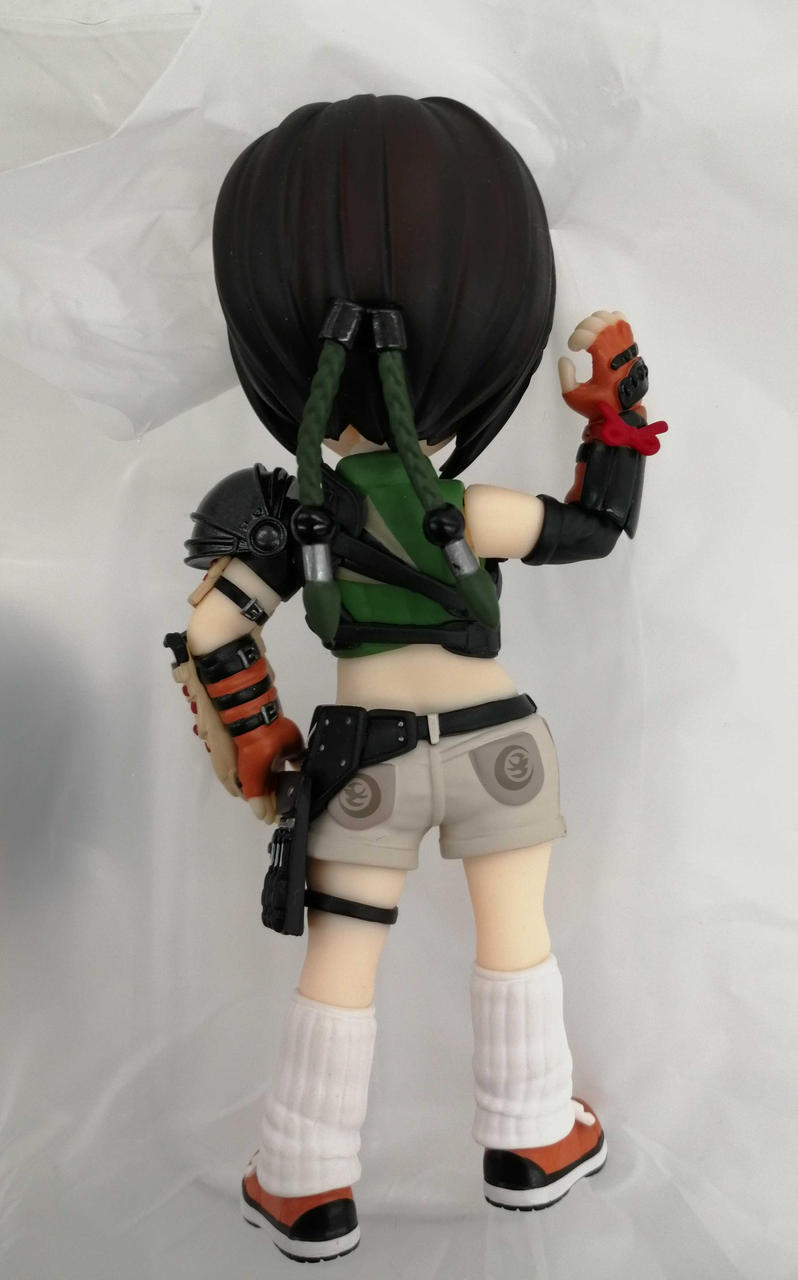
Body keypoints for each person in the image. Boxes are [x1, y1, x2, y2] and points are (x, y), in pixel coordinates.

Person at [165, 94, 664, 1263]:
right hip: (500, 741)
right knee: (517, 931)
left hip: (366, 760)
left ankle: (305, 1179)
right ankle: (533, 1136)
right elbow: (596, 527)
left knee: (342, 956)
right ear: (491, 337)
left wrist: (257, 736)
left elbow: (211, 631)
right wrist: (616, 411)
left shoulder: (297, 516)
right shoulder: (471, 507)